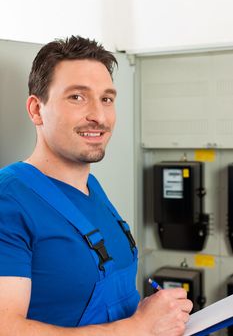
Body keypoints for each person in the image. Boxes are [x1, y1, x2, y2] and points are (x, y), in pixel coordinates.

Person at [0, 35, 193, 335]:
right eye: (77, 97)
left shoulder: (93, 188)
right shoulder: (9, 201)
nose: (99, 116)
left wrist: (158, 318)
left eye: (106, 99)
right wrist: (139, 326)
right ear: (37, 110)